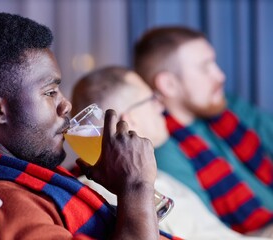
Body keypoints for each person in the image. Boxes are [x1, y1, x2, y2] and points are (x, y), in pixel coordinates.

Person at [0, 12, 174, 240]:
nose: (66, 106)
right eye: (50, 92)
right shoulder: (4, 205)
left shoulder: (12, 177)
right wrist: (136, 187)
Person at [71, 65, 271, 240]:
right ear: (128, 120)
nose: (161, 105)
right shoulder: (115, 192)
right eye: (151, 99)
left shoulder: (155, 176)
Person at [133, 26, 273, 237]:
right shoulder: (164, 153)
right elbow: (213, 232)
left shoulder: (228, 109)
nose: (220, 75)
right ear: (168, 84)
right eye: (205, 67)